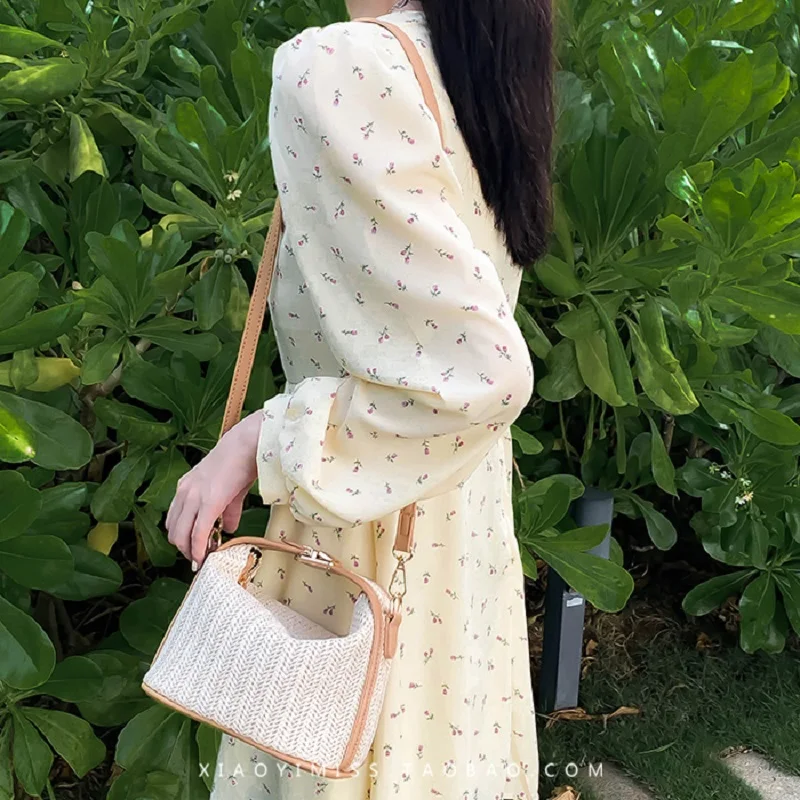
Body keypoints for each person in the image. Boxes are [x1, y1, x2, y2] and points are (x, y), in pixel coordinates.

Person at [166, 0, 554, 796]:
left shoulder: (343, 65)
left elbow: (482, 375)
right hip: (462, 536)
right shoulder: (480, 57)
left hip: (356, 533)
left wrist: (264, 438)